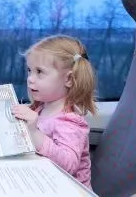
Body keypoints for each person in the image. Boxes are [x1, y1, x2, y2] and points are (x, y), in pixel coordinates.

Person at [11, 34, 97, 189]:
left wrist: (34, 131)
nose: (30, 78)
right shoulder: (41, 108)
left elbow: (69, 165)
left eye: (39, 72)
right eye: (29, 71)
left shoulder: (70, 121)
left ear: (68, 79)